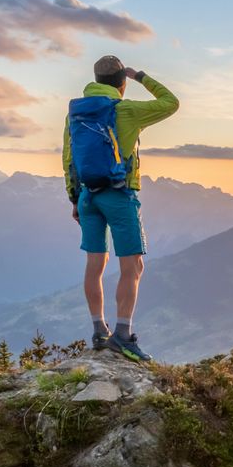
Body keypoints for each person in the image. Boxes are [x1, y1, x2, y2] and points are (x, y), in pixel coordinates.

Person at [62, 55, 178, 362]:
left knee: (94, 264)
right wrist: (141, 75)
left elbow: (68, 158)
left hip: (88, 196)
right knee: (133, 266)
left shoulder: (76, 112)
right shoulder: (125, 110)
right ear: (121, 84)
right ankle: (123, 335)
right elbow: (171, 102)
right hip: (120, 194)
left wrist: (75, 198)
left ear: (96, 81)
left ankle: (99, 331)